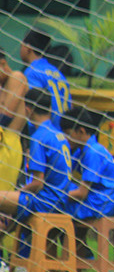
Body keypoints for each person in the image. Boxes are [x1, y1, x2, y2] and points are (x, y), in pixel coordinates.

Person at [0, 88, 72, 243]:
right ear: (50, 109)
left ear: (27, 110)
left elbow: (38, 183)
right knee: (9, 219)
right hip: (61, 200)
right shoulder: (58, 135)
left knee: (3, 199)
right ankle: (13, 259)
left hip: (45, 201)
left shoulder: (39, 137)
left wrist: (18, 191)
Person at [59, 106, 114, 258]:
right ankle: (83, 255)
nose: (66, 139)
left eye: (68, 134)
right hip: (94, 197)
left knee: (53, 210)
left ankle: (77, 257)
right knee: (57, 199)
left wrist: (55, 195)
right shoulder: (82, 150)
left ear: (81, 131)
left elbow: (81, 193)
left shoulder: (93, 152)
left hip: (99, 202)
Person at [21, 29, 71, 125]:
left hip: (45, 131)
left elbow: (35, 105)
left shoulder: (32, 72)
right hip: (63, 131)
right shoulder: (57, 73)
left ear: (28, 47)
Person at [0, 48, 28, 133]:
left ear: (2, 63)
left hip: (9, 141)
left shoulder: (16, 77)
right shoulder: (3, 85)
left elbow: (6, 115)